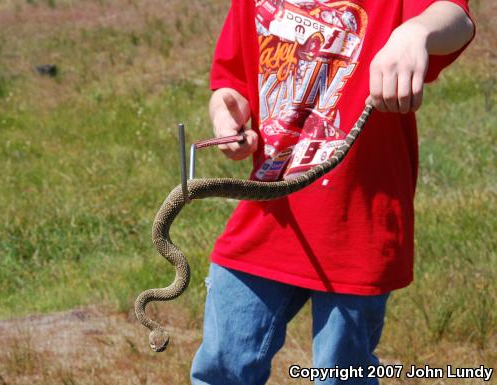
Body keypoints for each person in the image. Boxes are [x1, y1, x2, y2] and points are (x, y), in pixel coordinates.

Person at [190, 1, 475, 384]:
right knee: (222, 366)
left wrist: (415, 32)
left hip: (356, 224)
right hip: (268, 215)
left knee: (340, 374)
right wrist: (226, 112)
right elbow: (233, 81)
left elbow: (456, 18)